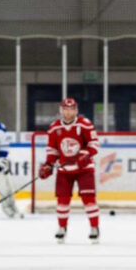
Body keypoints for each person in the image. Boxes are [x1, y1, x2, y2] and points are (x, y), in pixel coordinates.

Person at [37, 97, 101, 243]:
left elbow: (94, 144)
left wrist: (85, 155)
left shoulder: (84, 125)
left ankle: (94, 227)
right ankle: (62, 228)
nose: (68, 112)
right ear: (61, 110)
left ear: (75, 110)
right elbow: (52, 149)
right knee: (62, 200)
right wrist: (48, 164)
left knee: (88, 199)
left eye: (71, 109)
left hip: (85, 169)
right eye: (66, 109)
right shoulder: (55, 127)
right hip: (64, 170)